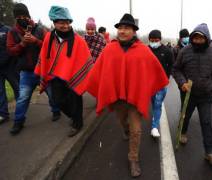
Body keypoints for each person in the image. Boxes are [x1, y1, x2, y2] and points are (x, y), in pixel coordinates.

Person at [83, 14, 168, 177]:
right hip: (118, 99)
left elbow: (155, 69)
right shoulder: (109, 48)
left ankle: (133, 158)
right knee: (123, 123)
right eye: (120, 28)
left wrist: (154, 84)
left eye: (126, 28)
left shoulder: (143, 50)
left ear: (133, 31)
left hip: (135, 99)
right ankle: (125, 129)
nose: (122, 31)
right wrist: (89, 84)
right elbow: (99, 71)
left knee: (136, 130)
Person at [34, 6, 93, 137]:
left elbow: (86, 61)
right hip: (55, 77)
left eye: (67, 22)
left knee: (76, 100)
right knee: (57, 100)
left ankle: (78, 124)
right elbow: (44, 56)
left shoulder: (78, 40)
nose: (65, 25)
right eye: (61, 22)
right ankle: (75, 116)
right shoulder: (49, 37)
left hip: (73, 76)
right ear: (54, 23)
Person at [7, 3, 61, 135]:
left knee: (51, 93)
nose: (22, 18)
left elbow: (50, 47)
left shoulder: (39, 29)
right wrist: (23, 43)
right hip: (26, 72)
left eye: (24, 15)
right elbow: (11, 51)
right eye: (19, 16)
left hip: (43, 69)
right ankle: (18, 122)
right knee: (23, 97)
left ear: (28, 15)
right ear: (15, 18)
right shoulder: (12, 32)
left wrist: (35, 41)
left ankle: (56, 111)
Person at [172, 23, 212, 166]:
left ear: (207, 38)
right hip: (188, 93)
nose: (198, 41)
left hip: (206, 95)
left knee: (206, 122)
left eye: (201, 38)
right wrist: (182, 83)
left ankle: (210, 152)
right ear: (192, 38)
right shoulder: (185, 51)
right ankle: (183, 132)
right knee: (185, 115)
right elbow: (176, 70)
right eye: (195, 38)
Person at [148, 29, 173, 137]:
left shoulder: (167, 51)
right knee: (151, 103)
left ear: (160, 40)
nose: (154, 42)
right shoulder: (146, 50)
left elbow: (171, 65)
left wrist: (166, 78)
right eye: (152, 40)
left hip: (161, 84)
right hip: (148, 83)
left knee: (158, 104)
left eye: (156, 40)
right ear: (149, 40)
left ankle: (154, 126)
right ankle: (154, 116)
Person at [0, 21, 19, 124]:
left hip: (10, 67)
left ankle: (21, 110)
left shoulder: (7, 30)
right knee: (0, 91)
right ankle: (3, 114)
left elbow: (11, 48)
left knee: (17, 88)